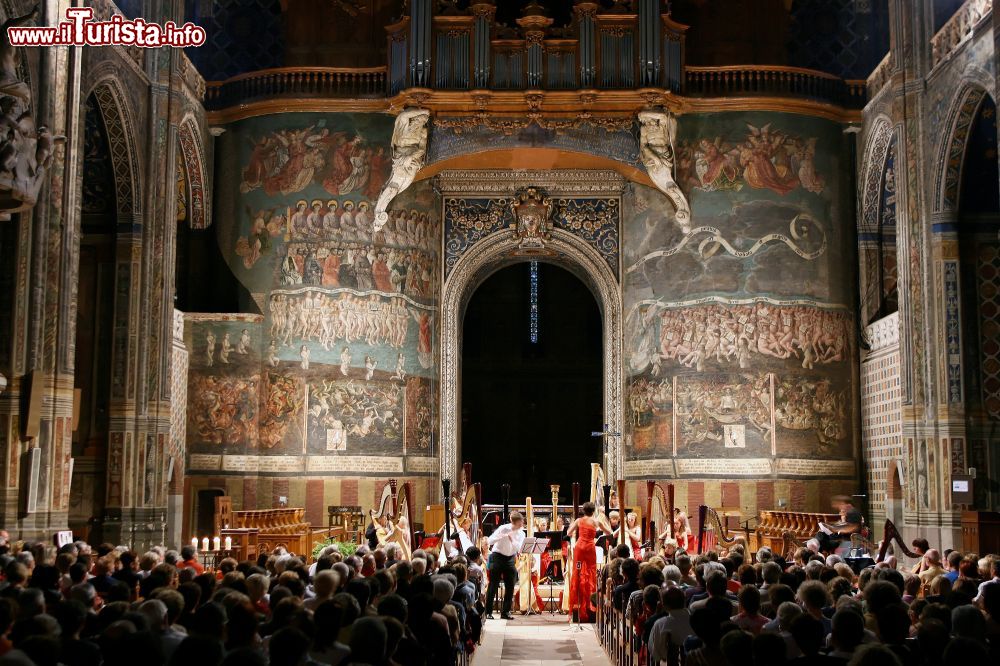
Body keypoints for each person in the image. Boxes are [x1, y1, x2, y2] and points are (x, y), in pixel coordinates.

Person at [567, 501, 610, 623]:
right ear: (593, 511)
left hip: (580, 548)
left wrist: (577, 533)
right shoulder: (597, 521)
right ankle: (591, 607)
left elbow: (568, 533)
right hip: (590, 548)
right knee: (591, 574)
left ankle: (576, 607)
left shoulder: (578, 521)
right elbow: (609, 533)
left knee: (578, 573)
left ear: (583, 511)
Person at [484, 511, 525, 620]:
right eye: (520, 522)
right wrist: (501, 536)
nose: (522, 524)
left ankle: (505, 612)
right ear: (514, 522)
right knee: (493, 585)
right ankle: (488, 612)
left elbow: (519, 549)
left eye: (522, 522)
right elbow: (489, 540)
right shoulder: (503, 528)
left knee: (510, 585)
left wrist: (511, 539)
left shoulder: (521, 533)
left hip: (510, 559)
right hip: (497, 557)